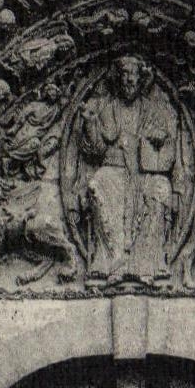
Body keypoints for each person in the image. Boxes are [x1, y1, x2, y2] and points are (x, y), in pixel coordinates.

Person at [76, 55, 186, 286]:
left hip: (145, 171)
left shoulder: (154, 109)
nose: (128, 80)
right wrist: (90, 124)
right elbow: (95, 150)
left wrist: (159, 138)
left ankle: (145, 262)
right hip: (114, 167)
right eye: (123, 75)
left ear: (140, 78)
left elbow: (170, 147)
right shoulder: (107, 108)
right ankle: (113, 260)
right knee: (99, 183)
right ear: (117, 78)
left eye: (132, 75)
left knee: (160, 189)